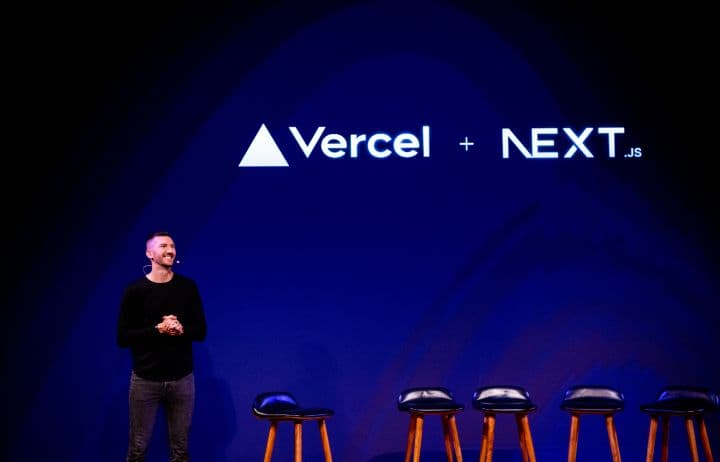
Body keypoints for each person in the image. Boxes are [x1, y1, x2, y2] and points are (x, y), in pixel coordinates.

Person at [117, 231, 207, 462]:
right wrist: (158, 329)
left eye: (173, 246)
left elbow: (201, 331)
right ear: (149, 253)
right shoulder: (135, 291)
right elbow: (123, 337)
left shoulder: (188, 287)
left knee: (181, 448)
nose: (170, 250)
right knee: (138, 447)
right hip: (146, 379)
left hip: (181, 379)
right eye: (163, 246)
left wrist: (181, 328)